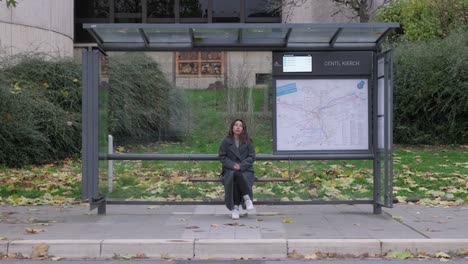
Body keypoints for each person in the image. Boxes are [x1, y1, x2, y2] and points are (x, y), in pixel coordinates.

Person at [218, 119, 256, 220]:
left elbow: (251, 157)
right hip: (229, 169)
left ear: (243, 129)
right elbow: (222, 156)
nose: (238, 127)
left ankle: (235, 208)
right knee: (234, 175)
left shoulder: (248, 141)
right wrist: (232, 165)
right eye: (236, 125)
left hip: (246, 170)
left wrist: (241, 165)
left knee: (237, 176)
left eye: (240, 125)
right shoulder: (226, 141)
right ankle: (247, 198)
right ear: (232, 127)